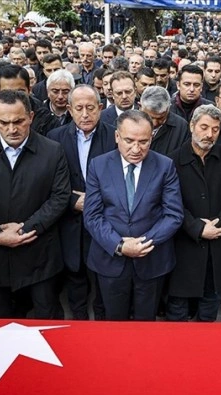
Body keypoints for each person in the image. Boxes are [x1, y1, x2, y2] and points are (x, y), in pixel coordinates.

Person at [0, 90, 71, 319]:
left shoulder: (52, 150)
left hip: (39, 253)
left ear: (31, 117)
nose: (12, 129)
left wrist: (25, 229)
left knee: (47, 317)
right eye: (4, 122)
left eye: (19, 121)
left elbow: (59, 197)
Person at [84, 110, 184, 321]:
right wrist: (119, 245)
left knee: (145, 325)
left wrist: (141, 244)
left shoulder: (165, 165)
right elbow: (92, 215)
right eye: (129, 141)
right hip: (109, 261)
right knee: (113, 323)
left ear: (152, 138)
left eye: (144, 142)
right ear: (117, 137)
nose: (136, 149)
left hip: (151, 261)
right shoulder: (98, 165)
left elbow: (173, 214)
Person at [47, 85, 117, 320]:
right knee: (75, 277)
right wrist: (71, 200)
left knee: (104, 281)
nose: (85, 114)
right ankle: (78, 323)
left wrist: (95, 201)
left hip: (106, 221)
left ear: (100, 108)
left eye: (90, 108)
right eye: (79, 108)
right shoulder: (54, 138)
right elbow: (47, 183)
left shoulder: (115, 136)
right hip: (70, 221)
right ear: (69, 109)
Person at [167, 105, 221, 322]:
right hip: (184, 244)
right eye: (204, 127)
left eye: (215, 129)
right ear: (192, 126)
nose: (209, 134)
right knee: (177, 306)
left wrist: (216, 225)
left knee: (211, 302)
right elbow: (171, 203)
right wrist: (197, 227)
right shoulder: (171, 161)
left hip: (219, 244)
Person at [139, 85, 190, 156]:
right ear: (140, 107)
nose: (155, 123)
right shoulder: (129, 123)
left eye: (161, 118)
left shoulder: (181, 127)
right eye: (150, 117)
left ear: (168, 108)